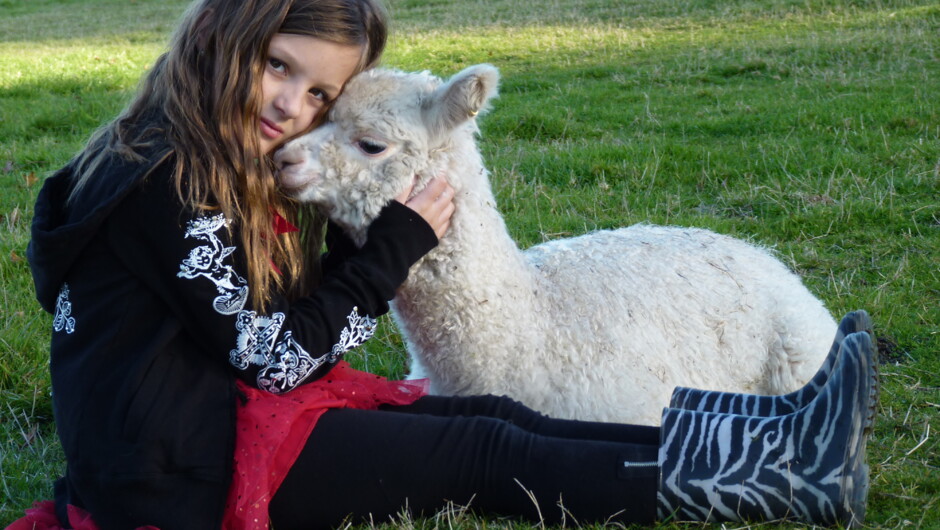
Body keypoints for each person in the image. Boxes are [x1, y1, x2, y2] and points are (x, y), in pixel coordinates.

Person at [12, 0, 877, 528]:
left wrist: (367, 233)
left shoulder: (182, 152)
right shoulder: (164, 178)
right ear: (220, 34)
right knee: (482, 451)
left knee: (496, 415)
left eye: (316, 92)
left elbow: (256, 334)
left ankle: (784, 443)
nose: (290, 103)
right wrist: (388, 250)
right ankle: (788, 483)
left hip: (200, 424)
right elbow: (272, 355)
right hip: (174, 479)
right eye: (279, 65)